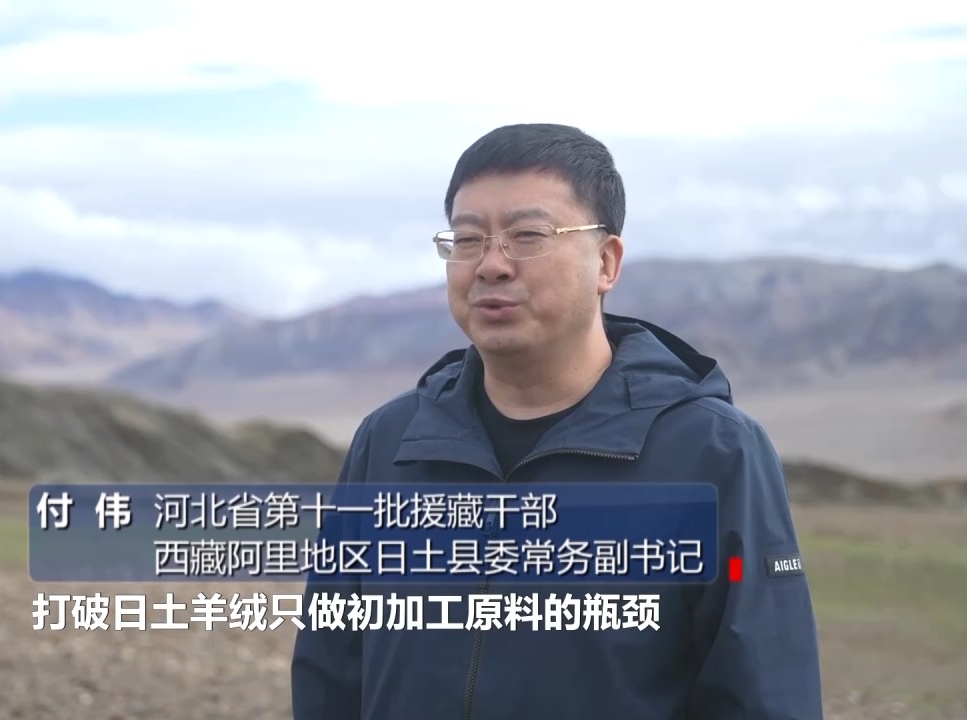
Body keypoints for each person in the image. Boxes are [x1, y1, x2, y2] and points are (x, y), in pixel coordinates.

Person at [291, 123, 824, 719]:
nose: (491, 265)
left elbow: (763, 694)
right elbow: (329, 674)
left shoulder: (711, 452)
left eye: (528, 235)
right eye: (467, 240)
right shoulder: (390, 442)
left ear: (606, 262)